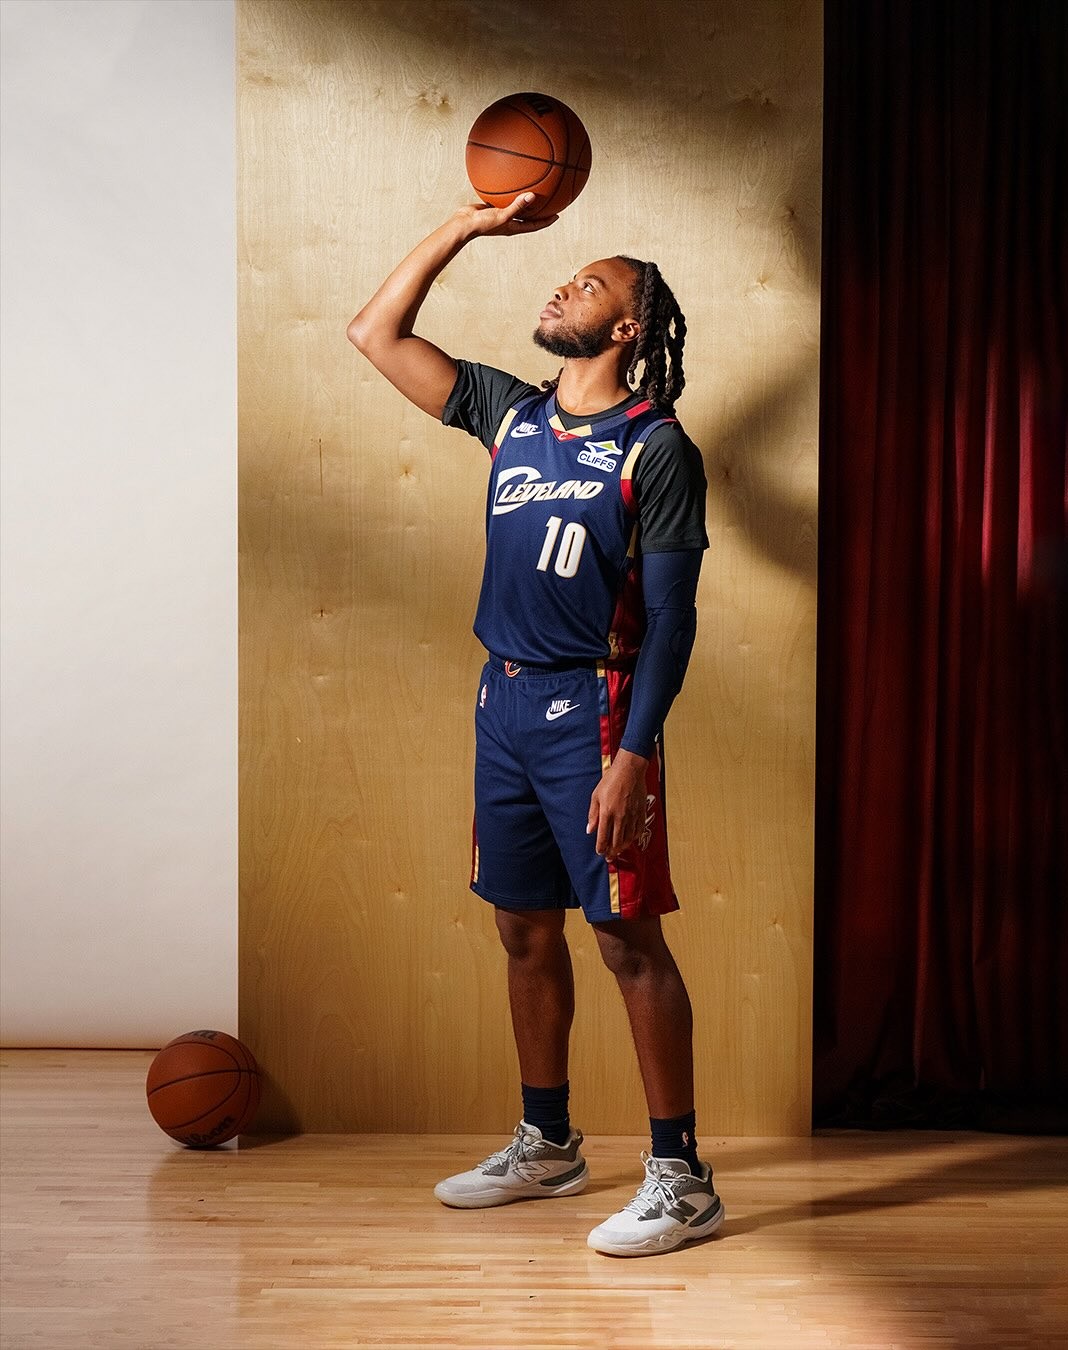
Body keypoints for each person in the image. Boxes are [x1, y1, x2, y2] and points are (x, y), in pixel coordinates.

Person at [346, 190, 724, 1257]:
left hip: (596, 710)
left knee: (625, 940)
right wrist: (468, 228)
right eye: (569, 276)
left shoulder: (656, 448)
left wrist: (634, 754)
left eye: (589, 284)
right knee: (522, 926)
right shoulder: (510, 414)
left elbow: (674, 621)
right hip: (503, 699)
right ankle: (549, 1144)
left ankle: (682, 1177)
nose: (564, 287)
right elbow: (375, 332)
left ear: (627, 327)